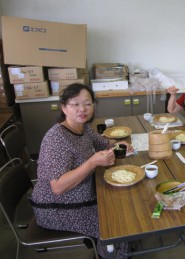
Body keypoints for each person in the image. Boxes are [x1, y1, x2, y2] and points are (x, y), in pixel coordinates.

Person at [31, 83, 133, 259]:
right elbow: (58, 187)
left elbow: (103, 143)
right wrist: (92, 163)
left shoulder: (83, 127)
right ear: (64, 107)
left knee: (123, 205)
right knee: (116, 224)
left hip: (85, 194)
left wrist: (117, 145)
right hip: (57, 207)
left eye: (87, 103)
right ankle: (111, 254)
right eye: (75, 104)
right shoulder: (57, 137)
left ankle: (120, 249)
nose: (82, 109)